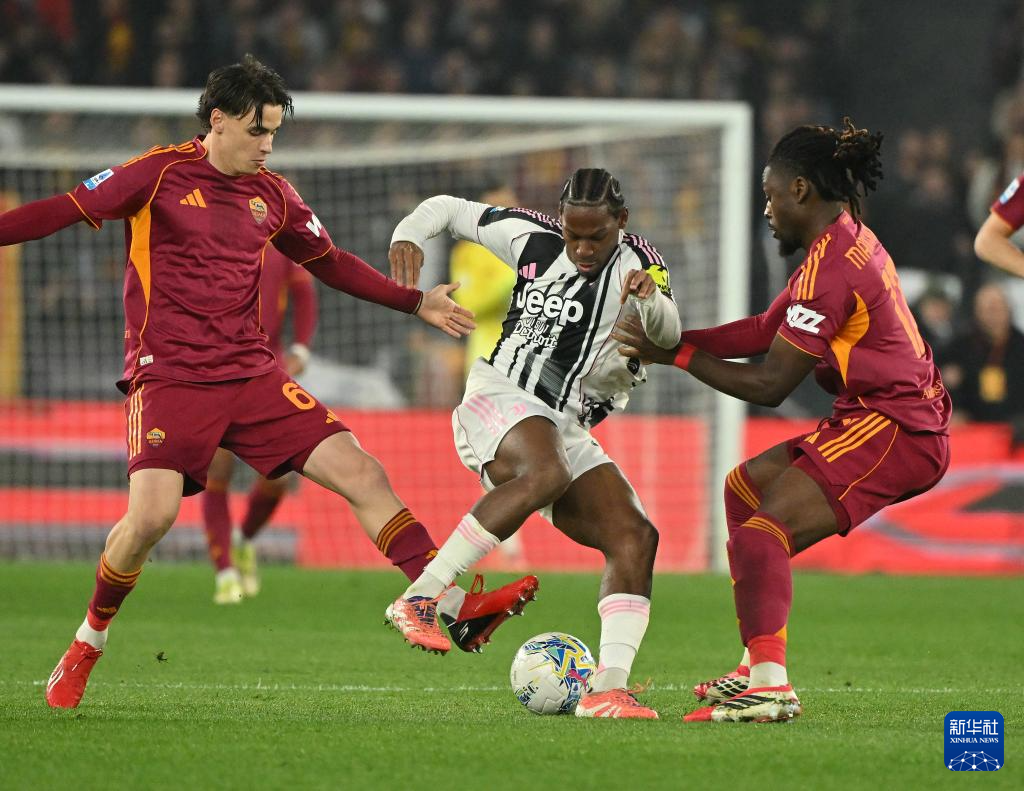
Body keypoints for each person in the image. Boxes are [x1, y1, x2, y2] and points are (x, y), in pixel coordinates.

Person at [0, 55, 538, 710]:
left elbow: (331, 262)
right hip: (170, 377)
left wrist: (413, 300)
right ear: (218, 120)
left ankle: (444, 603)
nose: (267, 146)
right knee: (151, 519)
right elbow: (62, 209)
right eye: (258, 131)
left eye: (275, 133)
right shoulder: (157, 174)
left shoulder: (275, 195)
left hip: (252, 372)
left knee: (362, 471)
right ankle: (88, 640)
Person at [613, 119, 952, 723]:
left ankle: (771, 685)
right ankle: (756, 663)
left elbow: (770, 385)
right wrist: (669, 339)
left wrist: (674, 357)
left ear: (800, 189)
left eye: (770, 195)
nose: (766, 209)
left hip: (896, 427)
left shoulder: (832, 269)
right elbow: (761, 330)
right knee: (743, 490)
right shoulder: (840, 241)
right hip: (875, 415)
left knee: (761, 533)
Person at [386, 168, 682, 719]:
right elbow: (449, 207)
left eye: (596, 236)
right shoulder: (531, 236)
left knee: (634, 536)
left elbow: (668, 334)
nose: (582, 249)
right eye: (573, 235)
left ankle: (607, 689)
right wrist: (409, 232)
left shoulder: (641, 263)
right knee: (548, 472)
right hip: (501, 394)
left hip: (565, 425)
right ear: (561, 221)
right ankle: (421, 595)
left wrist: (650, 300)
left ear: (621, 221)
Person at [202, 245, 318, 604]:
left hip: (267, 368)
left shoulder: (279, 235)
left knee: (279, 477)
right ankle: (225, 574)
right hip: (215, 367)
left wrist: (301, 348)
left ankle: (244, 539)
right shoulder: (209, 232)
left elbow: (304, 291)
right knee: (217, 469)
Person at [447, 179, 526, 570]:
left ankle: (507, 541)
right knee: (497, 455)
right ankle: (506, 544)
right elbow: (472, 301)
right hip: (489, 364)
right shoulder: (469, 252)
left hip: (532, 361)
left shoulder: (528, 244)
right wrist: (519, 273)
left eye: (510, 205)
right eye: (497, 208)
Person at [942, 283, 1024, 424]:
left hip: (1015, 426)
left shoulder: (1020, 344)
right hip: (973, 426)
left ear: (1008, 309)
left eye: (996, 308)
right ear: (977, 312)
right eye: (986, 309)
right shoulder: (959, 347)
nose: (992, 315)